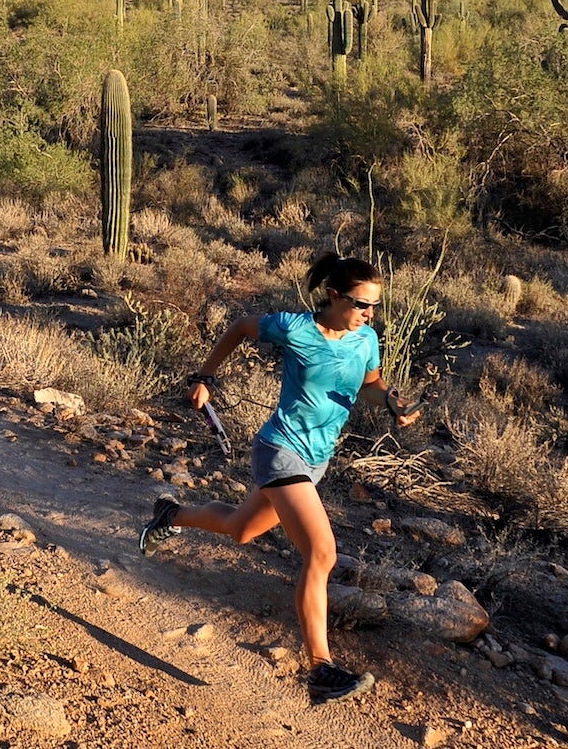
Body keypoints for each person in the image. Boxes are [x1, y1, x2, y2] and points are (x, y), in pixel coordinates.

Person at [137, 253, 420, 704]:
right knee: (322, 553)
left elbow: (370, 384)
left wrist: (390, 402)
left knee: (241, 529)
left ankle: (170, 515)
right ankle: (320, 669)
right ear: (334, 296)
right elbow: (241, 328)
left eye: (375, 306)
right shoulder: (296, 328)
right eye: (362, 304)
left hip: (316, 461)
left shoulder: (366, 338)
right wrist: (204, 377)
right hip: (279, 450)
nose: (370, 314)